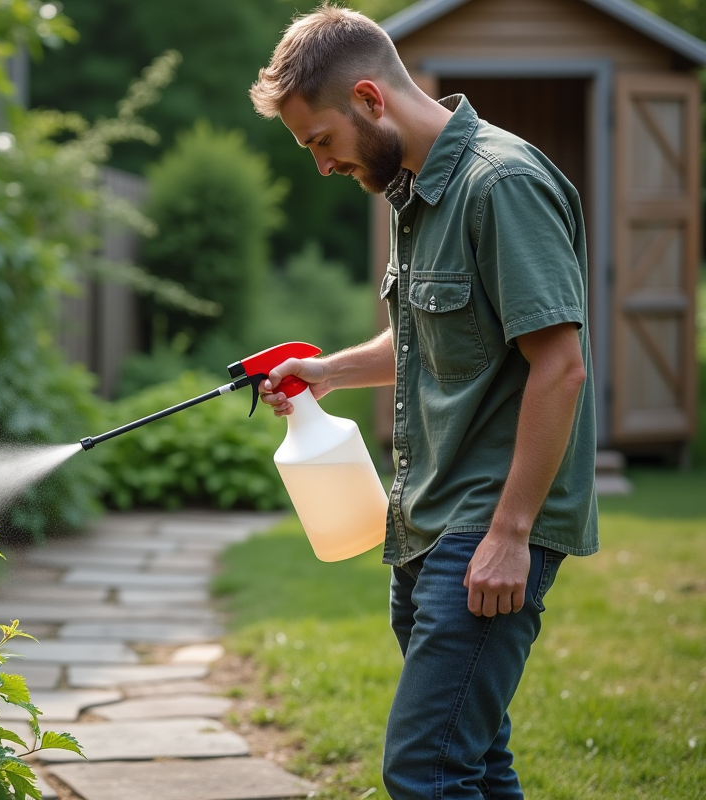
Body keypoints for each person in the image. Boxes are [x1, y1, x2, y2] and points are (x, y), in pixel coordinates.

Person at [249, 5, 598, 798]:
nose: (322, 166)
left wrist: (511, 533)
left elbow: (561, 368)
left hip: (487, 525)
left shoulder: (499, 184)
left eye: (321, 143)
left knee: (425, 769)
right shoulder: (417, 195)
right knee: (472, 761)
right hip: (429, 525)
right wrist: (326, 371)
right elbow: (421, 340)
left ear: (369, 99)